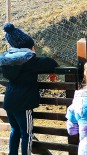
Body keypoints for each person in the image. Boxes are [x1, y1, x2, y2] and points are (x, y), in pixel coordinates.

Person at [0, 22, 59, 155]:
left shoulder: (6, 61)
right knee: (26, 133)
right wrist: (53, 69)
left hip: (10, 101)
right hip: (24, 103)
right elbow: (49, 62)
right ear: (29, 47)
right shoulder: (30, 61)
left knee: (14, 130)